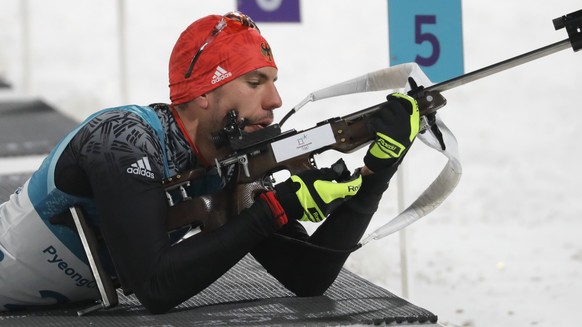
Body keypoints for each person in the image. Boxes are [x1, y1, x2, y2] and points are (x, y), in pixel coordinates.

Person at [0, 11, 420, 313]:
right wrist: (273, 211)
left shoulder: (233, 162)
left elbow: (306, 276)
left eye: (274, 84)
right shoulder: (122, 139)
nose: (275, 101)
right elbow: (155, 287)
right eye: (255, 83)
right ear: (203, 93)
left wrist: (377, 172)